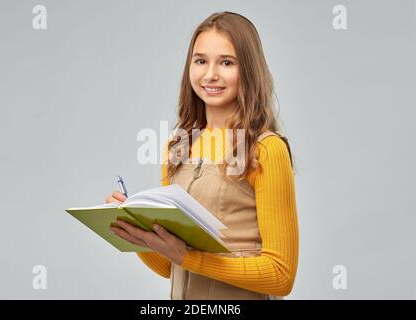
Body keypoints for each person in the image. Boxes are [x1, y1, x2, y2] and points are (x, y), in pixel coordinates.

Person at [105, 11, 299, 300]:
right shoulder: (177, 147)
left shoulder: (266, 150)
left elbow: (281, 276)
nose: (210, 74)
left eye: (227, 62)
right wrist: (138, 233)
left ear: (248, 69)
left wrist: (189, 258)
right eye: (200, 61)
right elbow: (172, 267)